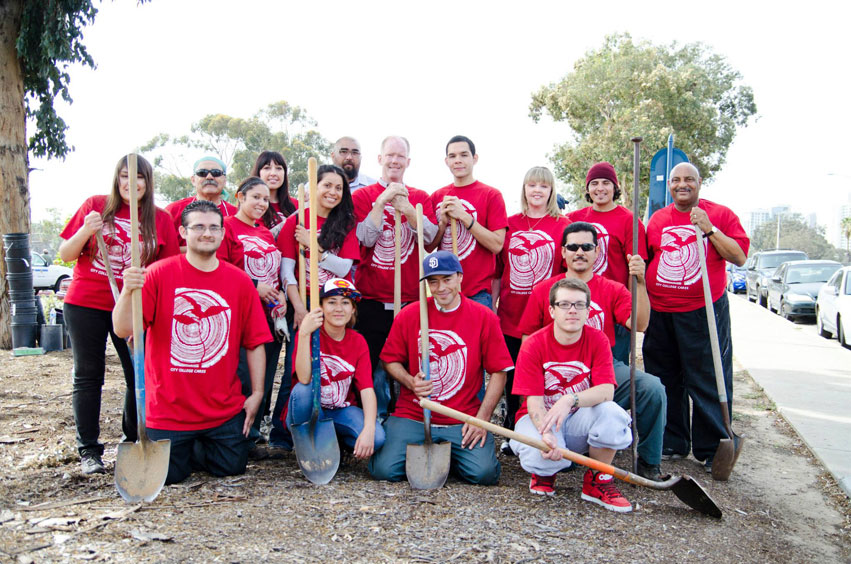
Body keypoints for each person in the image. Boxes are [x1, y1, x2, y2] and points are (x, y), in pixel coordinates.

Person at [113, 200, 272, 485]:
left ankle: (196, 445)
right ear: (183, 232)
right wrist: (128, 291)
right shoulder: (159, 274)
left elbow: (255, 342)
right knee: (170, 477)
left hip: (222, 409)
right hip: (168, 410)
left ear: (223, 234)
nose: (207, 233)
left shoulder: (239, 281)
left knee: (231, 467)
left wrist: (257, 393)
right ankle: (185, 447)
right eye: (198, 226)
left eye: (214, 227)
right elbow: (122, 327)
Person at [516, 221, 667, 481]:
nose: (579, 252)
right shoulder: (544, 290)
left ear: (597, 252)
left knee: (652, 389)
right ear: (562, 252)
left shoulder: (613, 289)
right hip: (553, 369)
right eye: (572, 246)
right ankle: (557, 448)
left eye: (587, 246)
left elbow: (640, 324)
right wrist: (531, 388)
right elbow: (528, 338)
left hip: (600, 366)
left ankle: (649, 463)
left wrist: (640, 283)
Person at [58, 154, 179, 475]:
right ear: (116, 179)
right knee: (88, 374)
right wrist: (85, 230)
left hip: (133, 307)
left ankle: (131, 441)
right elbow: (66, 254)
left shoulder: (160, 219)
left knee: (136, 373)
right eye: (124, 176)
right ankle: (89, 450)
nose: (131, 183)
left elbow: (167, 271)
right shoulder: (96, 206)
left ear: (148, 182)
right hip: (86, 303)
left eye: (138, 177)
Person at [369, 251, 512, 485]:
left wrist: (482, 418)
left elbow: (499, 372)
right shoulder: (411, 314)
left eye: (447, 279)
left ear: (460, 277)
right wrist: (409, 381)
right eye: (433, 281)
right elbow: (389, 360)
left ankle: (453, 455)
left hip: (460, 416)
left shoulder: (483, 317)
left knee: (483, 474)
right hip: (414, 414)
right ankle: (442, 454)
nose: (440, 287)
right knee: (383, 471)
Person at [642, 162, 748, 474]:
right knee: (664, 377)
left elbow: (739, 256)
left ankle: (711, 447)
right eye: (676, 180)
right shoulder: (659, 218)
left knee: (705, 378)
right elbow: (651, 256)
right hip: (662, 311)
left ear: (700, 183)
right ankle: (673, 441)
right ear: (669, 185)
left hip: (702, 310)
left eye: (689, 179)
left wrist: (709, 230)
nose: (682, 184)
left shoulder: (720, 214)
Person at [509, 278, 633, 512]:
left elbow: (607, 391)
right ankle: (544, 474)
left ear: (588, 310)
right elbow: (533, 403)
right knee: (539, 456)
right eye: (564, 304)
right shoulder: (533, 344)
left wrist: (570, 399)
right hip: (540, 420)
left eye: (579, 305)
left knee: (613, 415)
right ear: (552, 310)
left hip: (578, 420)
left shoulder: (598, 339)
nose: (572, 310)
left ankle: (598, 479)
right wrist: (545, 434)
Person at [352, 136, 438, 418]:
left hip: (411, 300)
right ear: (379, 159)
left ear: (408, 162)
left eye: (400, 157)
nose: (394, 161)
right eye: (389, 155)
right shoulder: (362, 197)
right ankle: (376, 419)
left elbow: (429, 239)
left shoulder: (421, 197)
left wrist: (408, 211)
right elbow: (364, 239)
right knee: (374, 366)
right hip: (372, 299)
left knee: (411, 364)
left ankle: (408, 418)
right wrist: (383, 201)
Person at [276, 164, 359, 446]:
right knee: (295, 368)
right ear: (315, 187)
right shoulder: (297, 221)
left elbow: (344, 267)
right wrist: (299, 307)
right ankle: (282, 433)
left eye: (339, 188)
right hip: (304, 301)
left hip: (334, 301)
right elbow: (287, 271)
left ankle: (335, 425)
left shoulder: (346, 223)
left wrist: (315, 247)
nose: (332, 192)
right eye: (327, 185)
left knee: (331, 364)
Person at [493, 166, 570, 436]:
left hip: (545, 317)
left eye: (544, 186)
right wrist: (493, 306)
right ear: (524, 189)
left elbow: (567, 273)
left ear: (551, 191)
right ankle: (512, 426)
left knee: (542, 374)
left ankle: (544, 426)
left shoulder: (563, 226)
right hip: (511, 313)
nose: (537, 190)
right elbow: (498, 271)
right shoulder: (509, 224)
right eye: (532, 185)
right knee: (513, 373)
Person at [217, 177, 287, 453]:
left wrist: (279, 294)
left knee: (265, 378)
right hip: (240, 314)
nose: (260, 203)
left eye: (265, 199)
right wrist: (254, 286)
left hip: (268, 316)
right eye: (255, 197)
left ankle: (253, 434)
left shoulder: (266, 232)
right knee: (242, 376)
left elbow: (272, 271)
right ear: (239, 197)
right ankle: (234, 435)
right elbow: (219, 267)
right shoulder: (226, 227)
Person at [286, 279, 385, 458]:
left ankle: (337, 444)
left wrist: (369, 429)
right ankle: (308, 444)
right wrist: (304, 334)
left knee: (377, 438)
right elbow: (303, 378)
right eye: (331, 302)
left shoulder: (358, 341)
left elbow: (367, 389)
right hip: (309, 408)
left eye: (345, 303)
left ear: (353, 309)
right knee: (302, 391)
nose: (338, 309)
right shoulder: (311, 334)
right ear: (321, 307)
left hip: (341, 409)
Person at [568, 162, 648, 363]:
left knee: (612, 371)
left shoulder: (630, 221)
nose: (600, 188)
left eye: (606, 182)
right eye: (594, 183)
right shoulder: (573, 219)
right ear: (587, 188)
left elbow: (634, 270)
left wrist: (631, 311)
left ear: (615, 186)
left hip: (615, 313)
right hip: (577, 306)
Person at [429, 135, 508, 308]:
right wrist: (442, 225)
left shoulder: (491, 195)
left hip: (477, 294)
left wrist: (465, 217)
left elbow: (496, 245)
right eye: (452, 156)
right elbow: (428, 246)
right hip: (444, 293)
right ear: (446, 161)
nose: (458, 160)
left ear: (474, 158)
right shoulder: (436, 196)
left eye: (464, 155)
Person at [165, 156, 238, 251]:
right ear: (193, 180)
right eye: (202, 173)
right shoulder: (173, 211)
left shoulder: (236, 213)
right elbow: (163, 251)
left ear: (225, 181)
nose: (209, 177)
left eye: (216, 173)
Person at [249, 151, 297, 229]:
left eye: (279, 168)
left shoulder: (297, 205)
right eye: (267, 168)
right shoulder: (251, 205)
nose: (273, 173)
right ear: (259, 172)